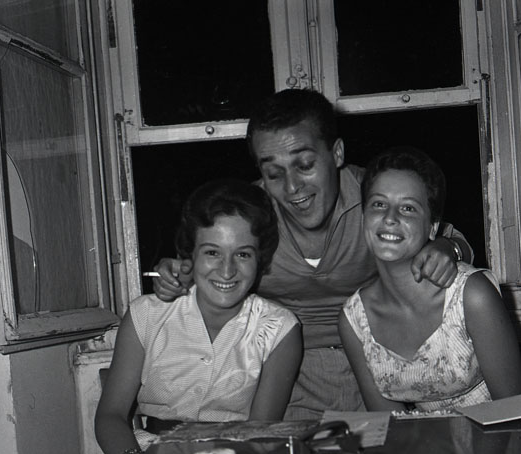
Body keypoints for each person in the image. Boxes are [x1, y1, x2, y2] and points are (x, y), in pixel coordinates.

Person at [153, 89, 473, 419]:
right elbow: (209, 266)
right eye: (273, 173)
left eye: (305, 165)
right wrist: (178, 276)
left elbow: (452, 239)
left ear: (337, 153)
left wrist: (446, 249)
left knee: (388, 447)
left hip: (378, 367)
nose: (292, 187)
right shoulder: (249, 217)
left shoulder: (375, 199)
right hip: (286, 374)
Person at [58, 179, 302, 454]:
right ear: (189, 256)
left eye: (243, 254)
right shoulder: (148, 315)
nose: (226, 270)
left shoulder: (279, 328)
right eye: (212, 252)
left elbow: (259, 433)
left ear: (261, 259)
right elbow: (110, 415)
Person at [338, 146, 521, 411]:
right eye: (379, 204)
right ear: (363, 218)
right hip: (424, 438)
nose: (390, 218)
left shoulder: (471, 295)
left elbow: (516, 412)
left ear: (432, 227)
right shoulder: (355, 320)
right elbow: (390, 425)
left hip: (503, 431)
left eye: (408, 208)